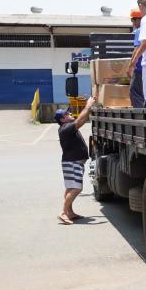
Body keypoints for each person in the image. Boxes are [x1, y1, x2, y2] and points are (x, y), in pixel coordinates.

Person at [55, 96, 95, 225]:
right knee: (77, 188)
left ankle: (69, 212)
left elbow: (79, 121)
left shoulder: (66, 127)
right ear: (62, 119)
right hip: (72, 162)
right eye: (67, 114)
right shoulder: (66, 128)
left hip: (72, 162)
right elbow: (80, 121)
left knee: (70, 188)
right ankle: (63, 212)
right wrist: (88, 106)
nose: (70, 113)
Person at [127, 8, 145, 108]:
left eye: (133, 20)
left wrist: (130, 66)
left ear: (139, 20)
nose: (132, 23)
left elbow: (137, 49)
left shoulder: (139, 31)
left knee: (134, 92)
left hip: (139, 68)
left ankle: (140, 118)